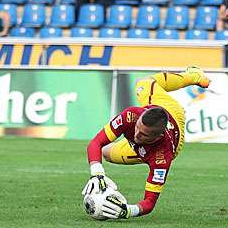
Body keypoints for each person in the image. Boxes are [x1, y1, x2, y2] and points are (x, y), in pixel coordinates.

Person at [82, 67, 210, 219]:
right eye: (137, 129)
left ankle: (195, 76)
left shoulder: (162, 157)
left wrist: (128, 211)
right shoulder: (131, 116)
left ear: (157, 137)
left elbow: (149, 202)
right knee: (144, 83)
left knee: (108, 154)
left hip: (175, 117)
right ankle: (193, 76)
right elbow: (95, 143)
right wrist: (97, 173)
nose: (137, 135)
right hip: (160, 105)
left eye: (143, 135)